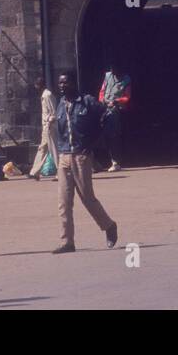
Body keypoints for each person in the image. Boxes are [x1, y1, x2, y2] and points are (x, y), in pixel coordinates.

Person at [51, 72, 119, 253]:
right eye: (60, 83)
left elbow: (107, 117)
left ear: (73, 83)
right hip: (64, 155)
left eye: (65, 82)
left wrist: (95, 143)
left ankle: (109, 226)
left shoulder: (87, 102)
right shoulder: (60, 105)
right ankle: (67, 242)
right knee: (64, 202)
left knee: (87, 198)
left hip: (81, 156)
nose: (62, 86)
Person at [98, 69, 132, 172]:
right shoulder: (108, 76)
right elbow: (102, 91)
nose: (113, 71)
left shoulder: (126, 79)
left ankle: (115, 161)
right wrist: (102, 100)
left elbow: (127, 97)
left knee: (114, 136)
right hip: (105, 108)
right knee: (100, 135)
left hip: (117, 110)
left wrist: (116, 101)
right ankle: (97, 162)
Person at [28, 77, 57, 182]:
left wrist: (50, 122)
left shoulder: (47, 95)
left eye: (37, 85)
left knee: (54, 149)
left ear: (40, 85)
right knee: (43, 148)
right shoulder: (44, 95)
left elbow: (53, 111)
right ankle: (34, 172)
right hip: (46, 126)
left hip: (50, 126)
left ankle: (61, 172)